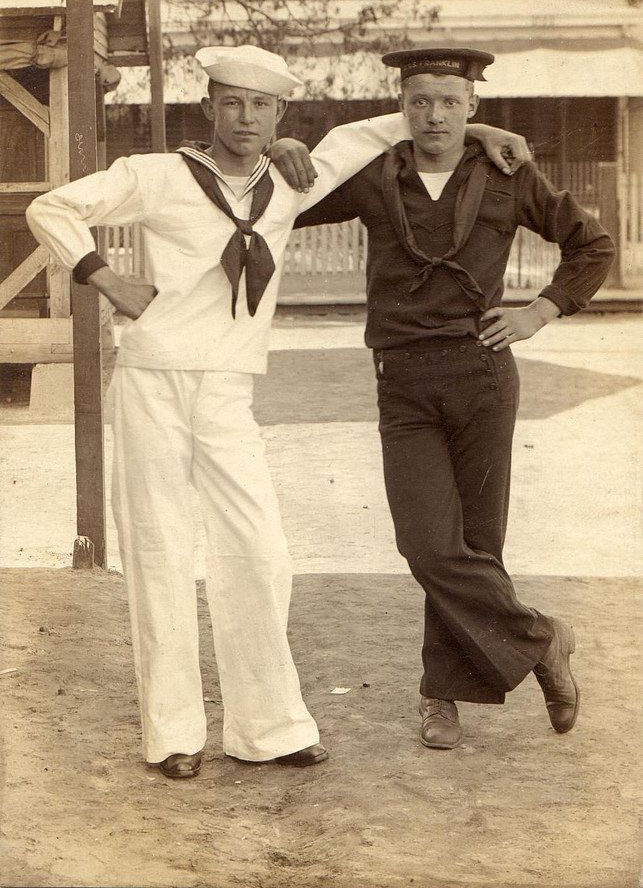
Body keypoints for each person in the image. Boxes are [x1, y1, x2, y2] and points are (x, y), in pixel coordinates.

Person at [26, 44, 531, 778]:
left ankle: (266, 729)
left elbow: (385, 130)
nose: (245, 117)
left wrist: (481, 132)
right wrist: (104, 278)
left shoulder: (290, 180)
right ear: (209, 108)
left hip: (228, 390)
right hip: (153, 381)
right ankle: (173, 735)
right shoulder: (159, 175)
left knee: (260, 556)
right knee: (161, 552)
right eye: (231, 102)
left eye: (261, 105)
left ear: (278, 115)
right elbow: (54, 205)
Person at [293, 46, 615, 750]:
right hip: (402, 381)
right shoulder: (374, 176)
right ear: (400, 108)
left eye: (448, 99)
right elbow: (282, 205)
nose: (432, 113)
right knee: (426, 543)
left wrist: (539, 311)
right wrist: (290, 149)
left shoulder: (505, 174)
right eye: (418, 100)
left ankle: (442, 695)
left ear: (472, 105)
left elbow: (591, 245)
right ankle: (542, 638)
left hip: (482, 376)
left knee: (474, 543)